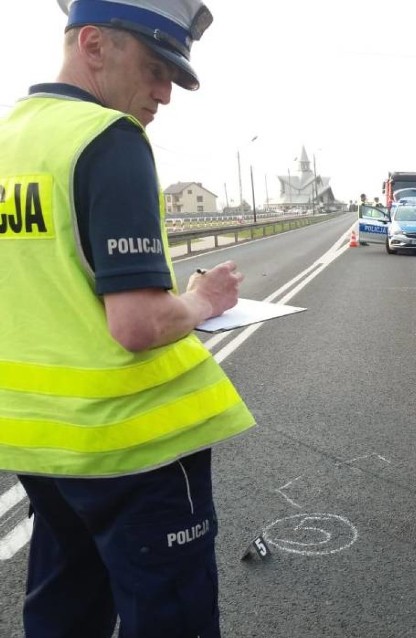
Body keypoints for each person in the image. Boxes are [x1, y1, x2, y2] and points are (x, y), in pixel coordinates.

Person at [0, 1, 255, 636]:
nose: (163, 95)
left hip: (43, 449)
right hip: (134, 452)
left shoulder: (9, 141)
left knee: (65, 613)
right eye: (153, 69)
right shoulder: (108, 140)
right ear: (93, 45)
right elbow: (137, 325)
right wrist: (203, 300)